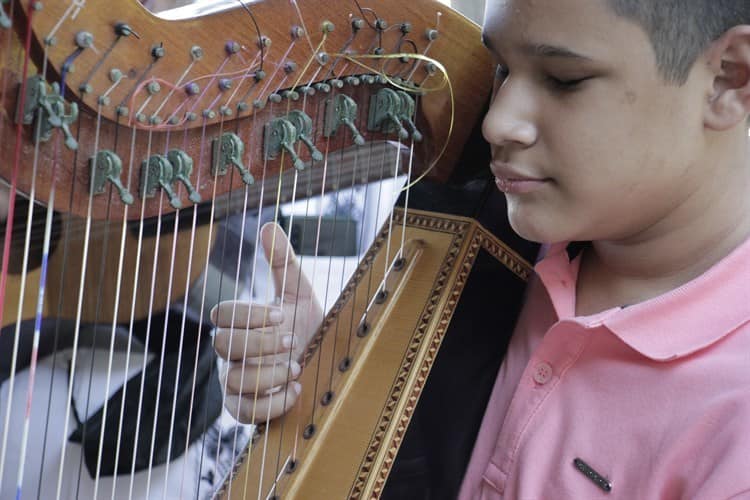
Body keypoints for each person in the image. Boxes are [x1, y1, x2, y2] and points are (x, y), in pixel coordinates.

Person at [212, 0, 750, 498]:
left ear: (730, 78)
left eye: (564, 80)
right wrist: (328, 384)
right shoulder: (495, 231)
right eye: (500, 70)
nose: (496, 122)